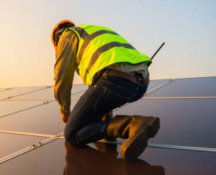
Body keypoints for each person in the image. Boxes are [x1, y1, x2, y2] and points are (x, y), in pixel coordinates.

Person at [52, 20, 160, 160]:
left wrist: (65, 110)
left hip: (115, 80)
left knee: (71, 134)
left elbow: (62, 74)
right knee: (99, 108)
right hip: (141, 84)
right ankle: (109, 145)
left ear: (57, 38)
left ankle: (133, 125)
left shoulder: (66, 35)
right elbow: (102, 99)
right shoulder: (95, 31)